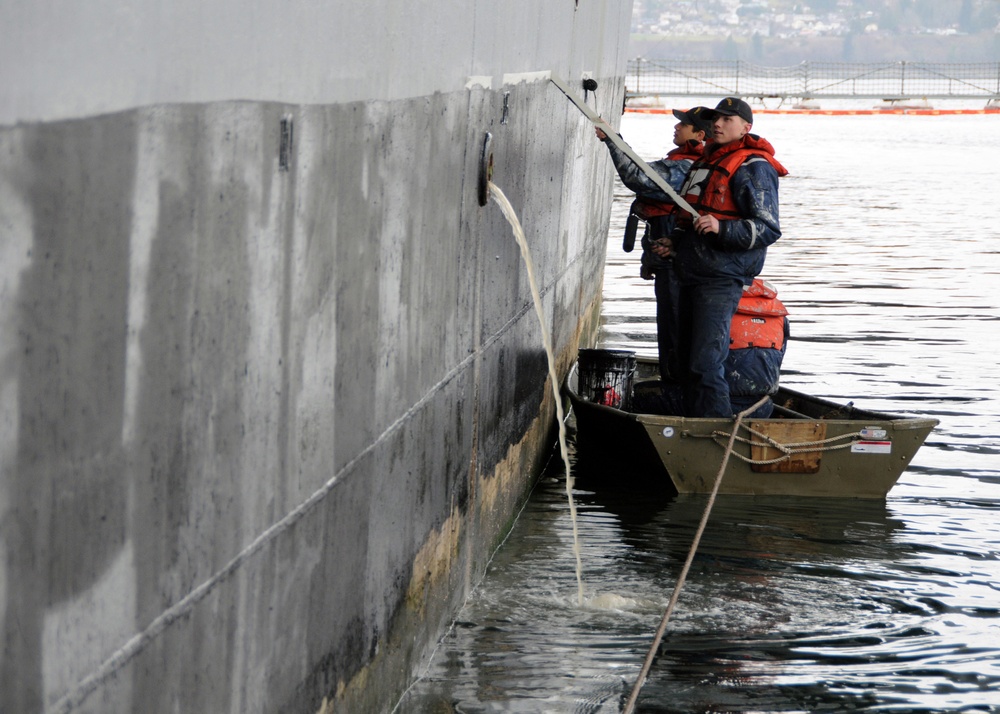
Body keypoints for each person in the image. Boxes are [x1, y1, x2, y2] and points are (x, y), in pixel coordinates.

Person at [660, 96, 789, 417]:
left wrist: (722, 228)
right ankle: (692, 425)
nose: (717, 124)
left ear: (746, 127)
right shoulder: (706, 163)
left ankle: (713, 433)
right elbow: (690, 218)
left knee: (705, 363)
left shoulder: (754, 167)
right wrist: (671, 245)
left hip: (721, 280)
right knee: (689, 362)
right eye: (716, 118)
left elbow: (767, 229)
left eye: (727, 120)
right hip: (691, 274)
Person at [595, 107, 713, 387]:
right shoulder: (691, 164)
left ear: (700, 134)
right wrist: (649, 259)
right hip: (669, 245)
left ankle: (675, 384)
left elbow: (638, 177)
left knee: (673, 318)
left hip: (675, 251)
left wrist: (613, 140)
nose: (676, 128)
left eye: (683, 125)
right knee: (673, 316)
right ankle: (676, 378)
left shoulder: (684, 167)